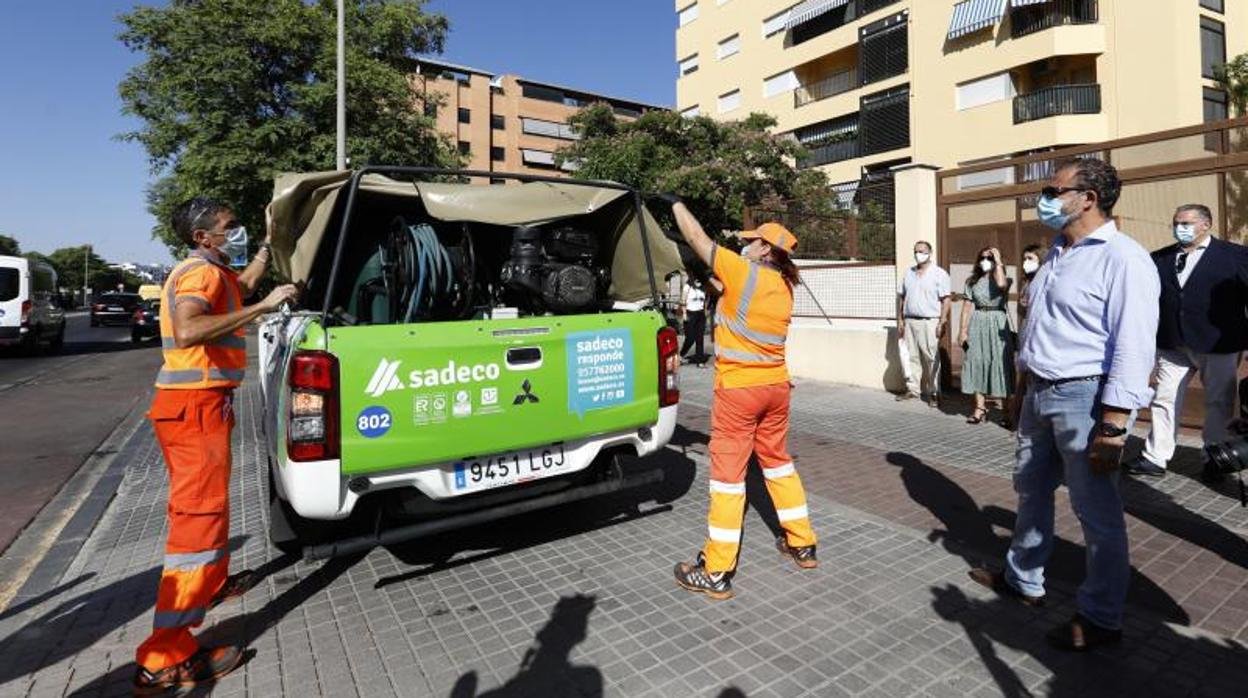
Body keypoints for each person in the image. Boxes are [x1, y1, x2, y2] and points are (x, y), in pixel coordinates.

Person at [971, 157, 1159, 652]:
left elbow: (1134, 346)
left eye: (1055, 189)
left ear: (1088, 198)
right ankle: (1023, 580)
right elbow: (1038, 328)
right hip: (1038, 392)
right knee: (1030, 490)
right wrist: (1019, 389)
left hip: (1086, 397)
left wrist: (1114, 427)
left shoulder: (1124, 259)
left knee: (1095, 511)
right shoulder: (1058, 252)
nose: (1046, 198)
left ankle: (1101, 618)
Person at [133, 197, 299, 693]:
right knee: (197, 523)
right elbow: (188, 329)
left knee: (210, 510)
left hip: (199, 405)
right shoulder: (199, 275)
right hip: (194, 407)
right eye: (229, 227)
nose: (236, 231)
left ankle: (213, 584)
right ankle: (165, 655)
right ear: (203, 237)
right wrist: (267, 306)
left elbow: (242, 285)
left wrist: (268, 243)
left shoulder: (216, 271)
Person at [656, 197, 817, 600]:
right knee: (778, 465)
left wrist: (675, 205)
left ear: (764, 248)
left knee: (728, 480)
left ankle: (716, 570)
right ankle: (802, 543)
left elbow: (696, 237)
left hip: (739, 391)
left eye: (752, 241)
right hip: (776, 389)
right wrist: (701, 277)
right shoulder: (784, 285)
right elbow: (729, 296)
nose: (745, 244)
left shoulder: (742, 269)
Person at [1122, 204, 1248, 478]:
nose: (1180, 227)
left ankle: (1214, 457)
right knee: (1164, 399)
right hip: (1172, 343)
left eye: (1187, 223)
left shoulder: (1235, 256)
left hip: (1217, 343)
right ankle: (1155, 458)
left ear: (1206, 225)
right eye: (1177, 222)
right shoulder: (1160, 258)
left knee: (1218, 402)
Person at [958, 246, 1015, 425]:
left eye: (989, 258)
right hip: (978, 321)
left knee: (1000, 362)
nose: (985, 261)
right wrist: (962, 331)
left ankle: (1006, 411)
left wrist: (998, 261)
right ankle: (979, 409)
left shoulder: (1004, 278)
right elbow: (967, 307)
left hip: (997, 321)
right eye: (982, 258)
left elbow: (1000, 285)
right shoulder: (971, 281)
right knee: (977, 361)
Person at [897, 241, 952, 407]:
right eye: (916, 251)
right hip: (910, 320)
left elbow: (946, 299)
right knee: (910, 356)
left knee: (931, 358)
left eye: (922, 251)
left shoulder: (939, 274)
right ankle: (912, 389)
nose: (918, 254)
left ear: (930, 252)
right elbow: (902, 297)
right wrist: (900, 319)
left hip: (929, 321)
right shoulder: (909, 273)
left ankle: (934, 392)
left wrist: (942, 321)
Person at [1016, 243, 1045, 332]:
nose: (1026, 262)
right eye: (1024, 259)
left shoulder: (1045, 280)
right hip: (1026, 326)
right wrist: (1022, 304)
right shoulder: (1025, 281)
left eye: (1030, 258)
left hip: (1040, 327)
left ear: (1040, 259)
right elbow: (1020, 312)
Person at [680, 277, 708, 364]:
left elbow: (705, 302)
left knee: (700, 338)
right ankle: (680, 355)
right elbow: (682, 301)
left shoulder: (704, 287)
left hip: (700, 315)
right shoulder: (687, 287)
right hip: (690, 314)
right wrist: (684, 314)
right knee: (690, 338)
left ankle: (700, 361)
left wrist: (705, 313)